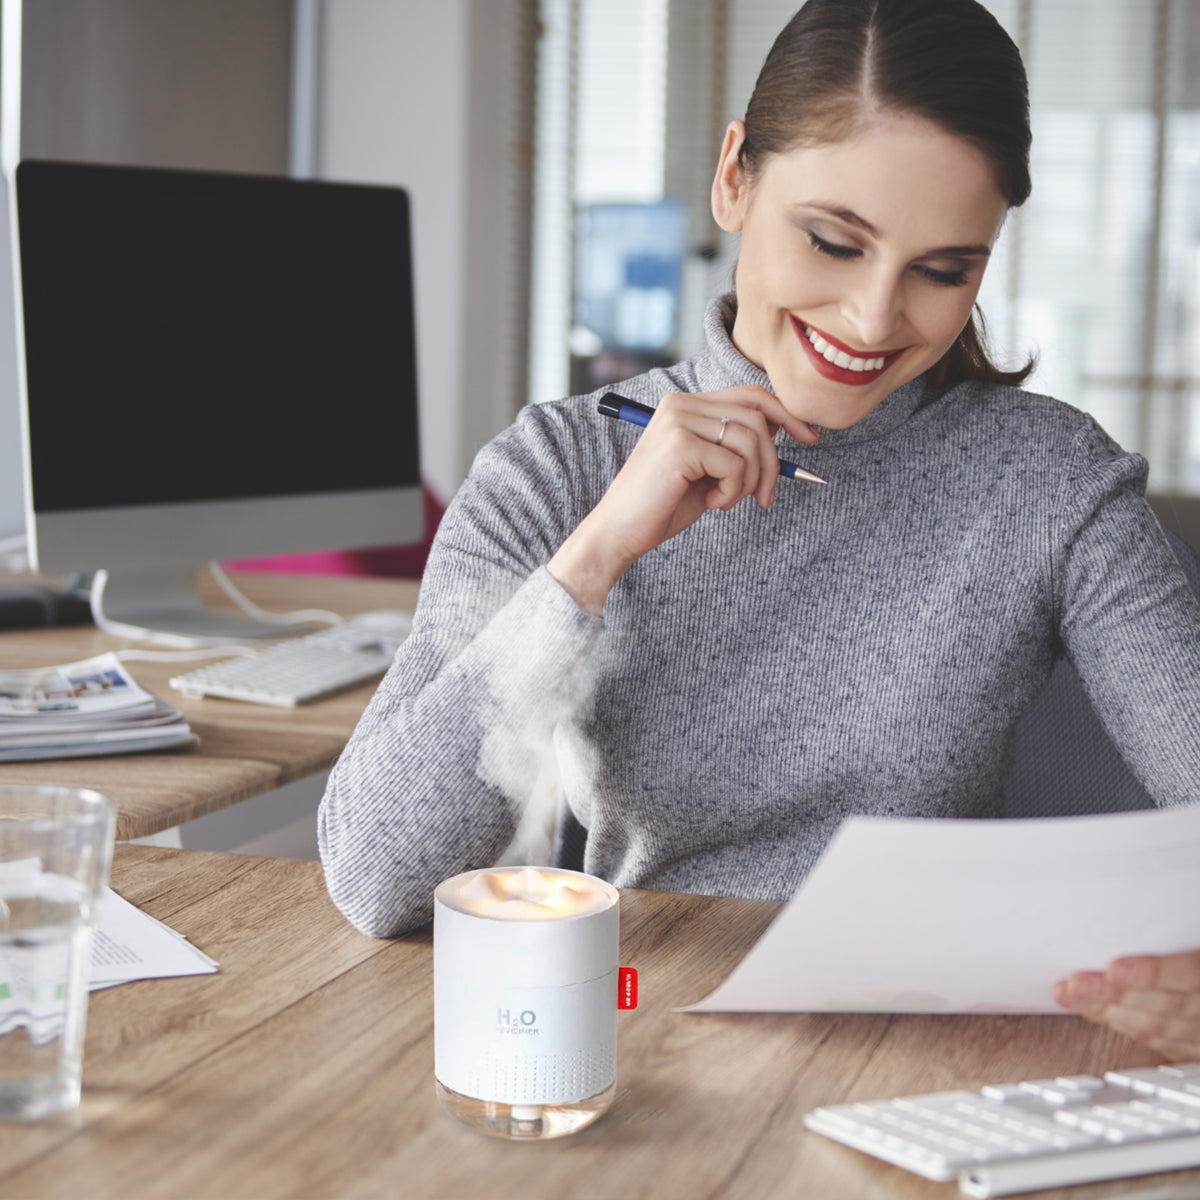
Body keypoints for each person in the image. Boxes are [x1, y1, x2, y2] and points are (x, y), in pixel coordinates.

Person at [319, 0, 1200, 1061]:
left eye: (942, 270)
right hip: (637, 1046)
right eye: (833, 242)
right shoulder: (557, 467)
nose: (873, 320)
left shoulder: (1049, 480)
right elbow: (376, 877)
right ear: (734, 177)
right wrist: (596, 557)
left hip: (916, 1054)